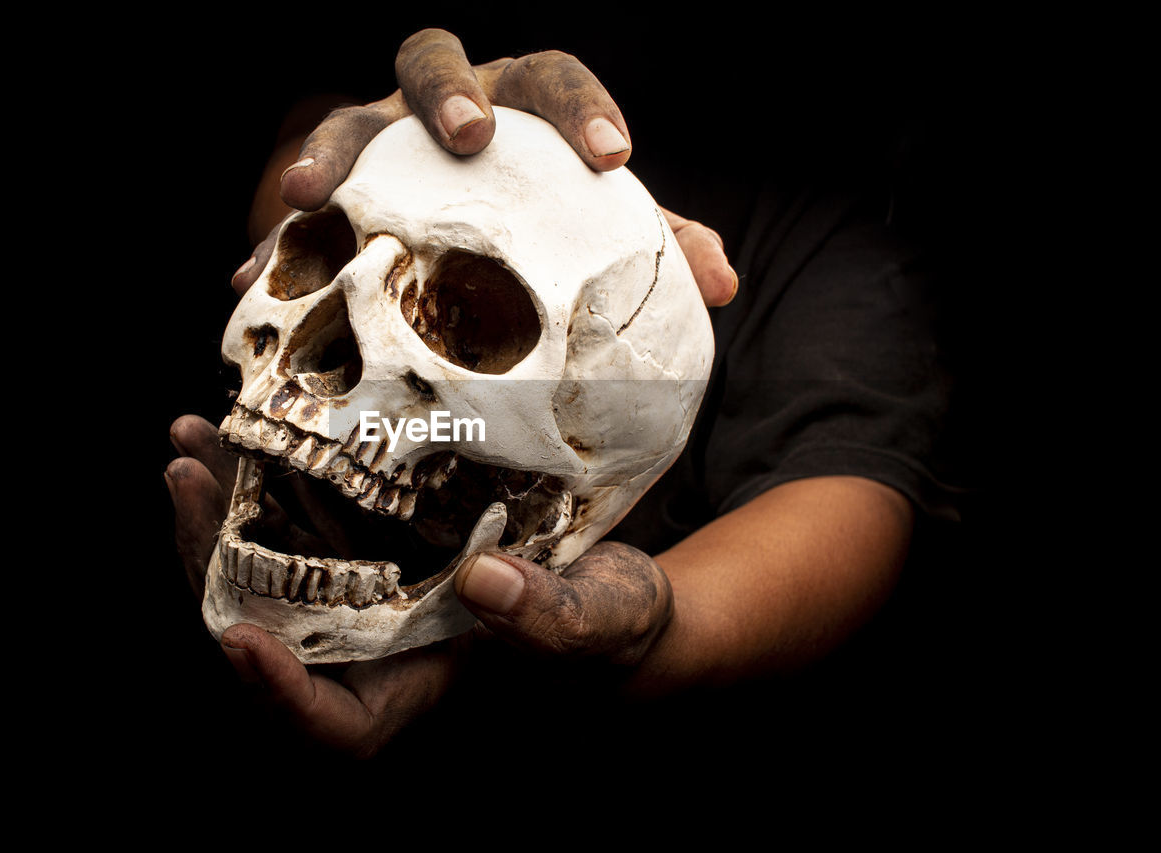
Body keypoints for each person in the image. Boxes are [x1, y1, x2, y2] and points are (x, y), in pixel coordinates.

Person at [164, 29, 956, 760]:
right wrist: (347, 172)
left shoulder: (845, 247)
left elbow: (854, 487)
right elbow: (300, 140)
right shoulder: (461, 110)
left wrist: (658, 629)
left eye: (473, 320)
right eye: (332, 249)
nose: (309, 360)